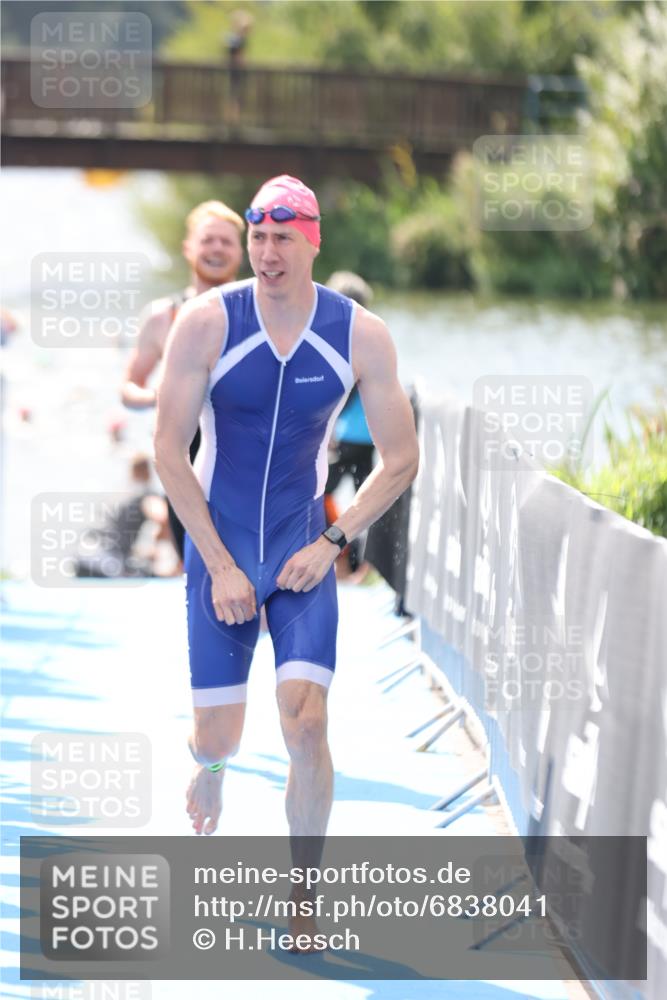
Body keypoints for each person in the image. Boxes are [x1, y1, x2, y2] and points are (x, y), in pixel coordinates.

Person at [154, 174, 418, 947]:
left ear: (314, 241)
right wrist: (220, 564)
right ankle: (210, 767)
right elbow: (168, 453)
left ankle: (304, 894)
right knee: (219, 736)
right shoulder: (206, 322)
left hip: (302, 551)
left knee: (305, 724)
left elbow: (399, 460)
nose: (266, 253)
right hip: (221, 552)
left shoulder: (358, 333)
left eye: (282, 239)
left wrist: (332, 543)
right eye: (257, 237)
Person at [121, 200, 244, 560]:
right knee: (197, 564)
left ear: (242, 250)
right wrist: (157, 396)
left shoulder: (262, 311)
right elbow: (128, 387)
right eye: (208, 240)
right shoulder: (164, 315)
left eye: (226, 241)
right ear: (188, 247)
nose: (217, 249)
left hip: (245, 455)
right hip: (183, 460)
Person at [324, 272, 376, 581]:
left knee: (317, 493)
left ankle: (341, 562)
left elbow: (344, 391)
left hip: (347, 437)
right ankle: (359, 566)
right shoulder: (371, 333)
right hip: (368, 436)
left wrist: (326, 430)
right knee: (367, 502)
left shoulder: (345, 337)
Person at [74, 453, 168, 578]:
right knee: (154, 575)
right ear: (149, 473)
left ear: (131, 472)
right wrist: (157, 545)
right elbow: (162, 517)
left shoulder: (117, 494)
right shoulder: (147, 495)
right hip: (107, 560)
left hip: (81, 555)